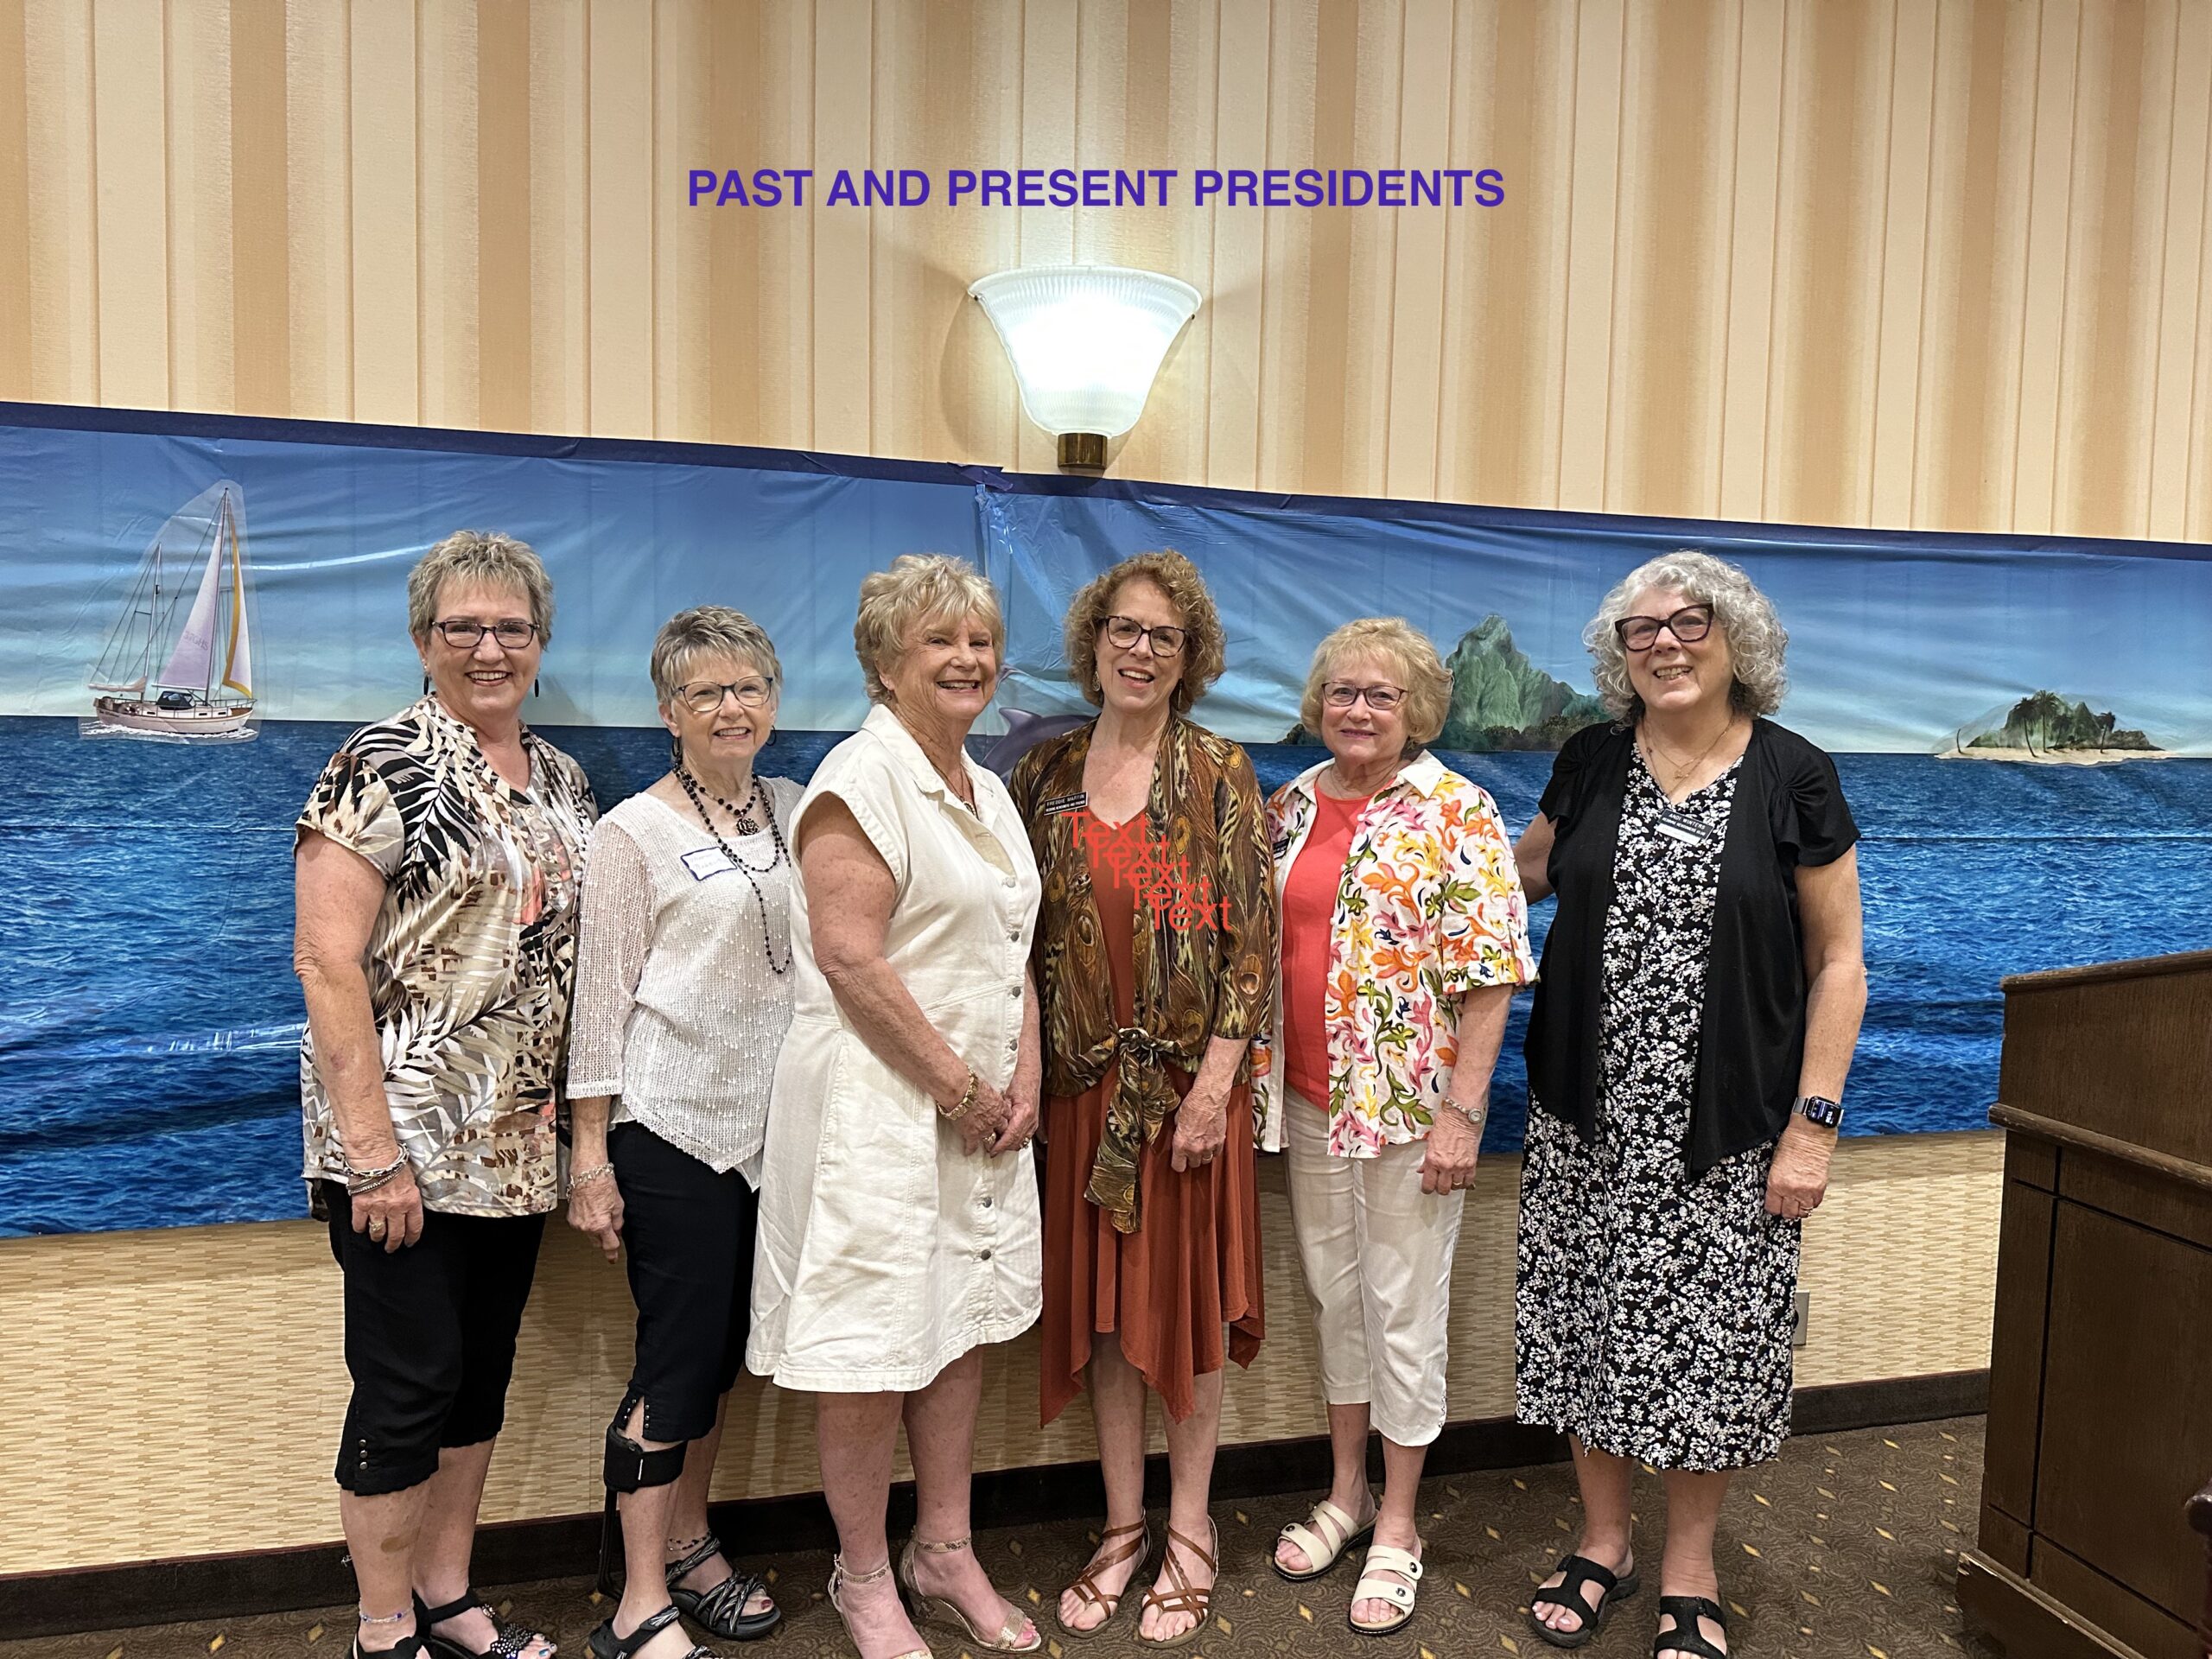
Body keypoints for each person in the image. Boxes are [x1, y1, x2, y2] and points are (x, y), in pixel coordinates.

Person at [1512, 550, 1866, 1659]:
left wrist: (1813, 1128)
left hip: (1730, 1129)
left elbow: (1840, 964)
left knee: (1708, 1354)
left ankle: (1689, 1568)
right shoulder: (1587, 761)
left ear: (1736, 639)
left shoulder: (1794, 774)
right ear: (1618, 654)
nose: (1663, 643)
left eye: (1689, 622)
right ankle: (1602, 1542)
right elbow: (1513, 879)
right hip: (1584, 1120)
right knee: (1586, 1329)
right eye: (1640, 629)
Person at [294, 531, 595, 1659]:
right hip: (403, 1155)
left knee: (476, 1385)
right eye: (462, 627)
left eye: (511, 627)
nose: (488, 648)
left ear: (540, 642)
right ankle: (384, 1631)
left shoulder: (563, 779)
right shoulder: (381, 763)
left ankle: (450, 1599)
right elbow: (326, 962)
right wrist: (371, 1154)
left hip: (514, 1150)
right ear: (424, 641)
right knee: (407, 1389)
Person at [747, 554, 1045, 1659]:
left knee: (957, 1326)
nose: (968, 659)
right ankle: (864, 1576)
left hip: (976, 1116)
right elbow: (849, 959)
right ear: (883, 663)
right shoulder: (859, 782)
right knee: (871, 1350)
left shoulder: (986, 789)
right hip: (878, 1115)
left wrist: (1025, 1076)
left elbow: (1012, 947)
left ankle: (944, 1550)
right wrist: (963, 1090)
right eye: (939, 641)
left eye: (980, 640)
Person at [1008, 550, 1276, 1649]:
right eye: (1124, 628)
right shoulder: (1045, 772)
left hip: (1185, 1100)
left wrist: (1213, 1090)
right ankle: (1123, 1524)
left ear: (1189, 655)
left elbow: (1251, 948)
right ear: (1094, 640)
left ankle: (1192, 1527)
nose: (1141, 649)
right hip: (1080, 1097)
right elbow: (1012, 940)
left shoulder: (1219, 771)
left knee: (1188, 1314)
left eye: (1164, 636)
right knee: (1108, 1321)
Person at [1256, 618, 1535, 1636]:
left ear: (1417, 710)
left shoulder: (1457, 810)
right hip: (1306, 1101)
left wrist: (1464, 1113)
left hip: (1411, 1110)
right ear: (1317, 703)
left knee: (1403, 1314)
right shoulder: (1290, 805)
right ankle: (1348, 1494)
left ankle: (1402, 1525)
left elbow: (1491, 977)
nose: (1359, 710)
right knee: (1335, 1302)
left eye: (1381, 695)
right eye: (1342, 691)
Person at [566, 607, 801, 1659]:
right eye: (705, 692)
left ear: (773, 700)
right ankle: (638, 1604)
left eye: (746, 687)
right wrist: (590, 1158)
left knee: (720, 1365)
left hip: (773, 1139)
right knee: (673, 1367)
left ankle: (693, 1544)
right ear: (669, 711)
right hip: (671, 1134)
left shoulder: (796, 807)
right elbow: (599, 1004)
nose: (730, 707)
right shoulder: (632, 833)